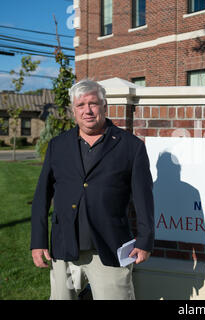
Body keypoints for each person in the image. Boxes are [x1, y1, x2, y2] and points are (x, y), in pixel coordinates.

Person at [30, 79, 154, 300]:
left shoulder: (131, 146)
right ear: (73, 110)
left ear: (104, 106)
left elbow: (144, 199)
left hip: (109, 246)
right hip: (64, 247)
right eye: (80, 105)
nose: (87, 110)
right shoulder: (58, 146)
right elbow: (42, 196)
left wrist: (145, 241)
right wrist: (38, 242)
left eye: (93, 103)